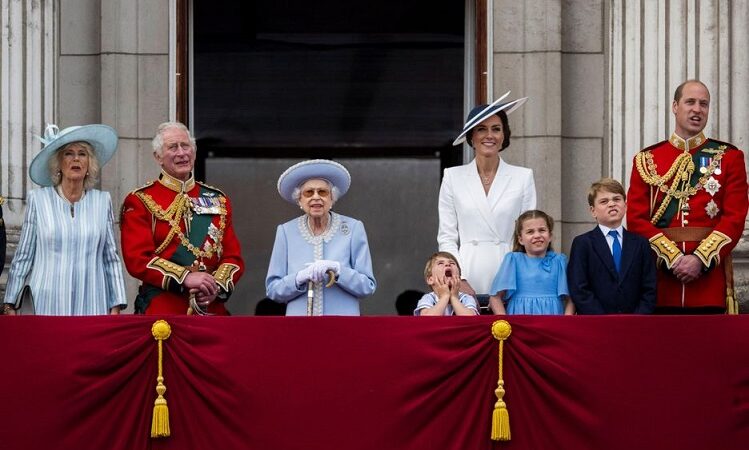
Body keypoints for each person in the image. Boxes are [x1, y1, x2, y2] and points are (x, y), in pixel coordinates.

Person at [627, 80, 749, 314]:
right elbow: (636, 219)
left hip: (708, 283)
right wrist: (672, 258)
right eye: (690, 102)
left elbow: (734, 218)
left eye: (704, 104)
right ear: (675, 106)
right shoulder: (647, 159)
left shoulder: (729, 158)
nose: (697, 109)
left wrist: (700, 260)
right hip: (661, 283)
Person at [120, 122, 244, 315]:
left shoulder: (218, 200)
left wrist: (216, 287)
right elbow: (138, 259)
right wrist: (185, 277)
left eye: (186, 146)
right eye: (172, 147)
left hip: (211, 307)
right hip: (163, 308)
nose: (181, 153)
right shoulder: (140, 200)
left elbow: (232, 257)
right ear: (158, 157)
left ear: (194, 152)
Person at [2, 124, 127, 315]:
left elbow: (110, 258)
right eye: (69, 153)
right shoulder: (39, 200)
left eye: (82, 153)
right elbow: (24, 256)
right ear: (59, 163)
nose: (76, 158)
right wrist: (10, 303)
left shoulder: (102, 202)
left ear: (89, 165)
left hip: (93, 303)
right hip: (47, 304)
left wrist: (116, 304)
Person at [438, 91, 536, 303]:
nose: (489, 135)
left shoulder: (523, 177)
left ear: (504, 136)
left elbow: (528, 235)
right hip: (466, 275)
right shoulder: (452, 177)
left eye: (496, 129)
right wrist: (457, 278)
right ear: (471, 137)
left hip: (511, 278)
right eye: (481, 129)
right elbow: (447, 237)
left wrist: (514, 280)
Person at [266, 159, 376, 316]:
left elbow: (367, 286)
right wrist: (298, 278)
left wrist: (338, 270)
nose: (316, 197)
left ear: (332, 198)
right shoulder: (285, 231)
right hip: (299, 326)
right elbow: (273, 290)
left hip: (343, 325)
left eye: (323, 192)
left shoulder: (353, 228)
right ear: (300, 200)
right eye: (308, 193)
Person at [567, 178, 657, 314]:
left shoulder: (641, 243)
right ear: (593, 211)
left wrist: (638, 317)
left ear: (625, 206)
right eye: (604, 201)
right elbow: (579, 288)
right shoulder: (583, 243)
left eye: (616, 199)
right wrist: (604, 320)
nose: (611, 204)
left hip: (635, 323)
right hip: (596, 324)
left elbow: (650, 287)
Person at [488, 210, 573, 315]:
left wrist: (565, 323)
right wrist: (505, 323)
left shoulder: (559, 261)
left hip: (553, 322)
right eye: (530, 232)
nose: (537, 235)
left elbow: (571, 299)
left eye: (542, 230)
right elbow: (495, 297)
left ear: (550, 236)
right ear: (520, 239)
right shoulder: (513, 260)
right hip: (519, 322)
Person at [414, 251, 478, 316]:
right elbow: (426, 319)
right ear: (430, 280)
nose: (448, 264)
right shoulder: (428, 298)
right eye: (440, 263)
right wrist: (444, 297)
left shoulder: (466, 298)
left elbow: (470, 319)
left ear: (459, 277)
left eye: (452, 263)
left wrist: (454, 297)